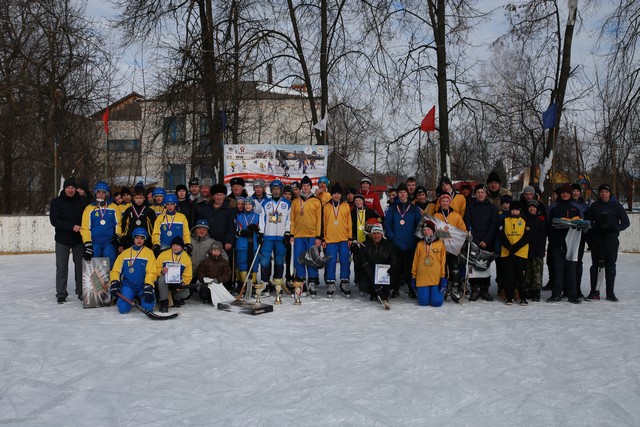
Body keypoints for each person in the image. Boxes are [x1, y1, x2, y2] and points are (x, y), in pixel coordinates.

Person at [585, 183, 630, 301]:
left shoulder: (616, 206)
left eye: (606, 192)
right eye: (601, 192)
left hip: (611, 239)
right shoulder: (594, 206)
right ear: (599, 193)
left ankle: (610, 293)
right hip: (598, 239)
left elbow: (626, 222)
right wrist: (594, 230)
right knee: (595, 266)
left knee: (610, 266)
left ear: (610, 193)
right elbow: (588, 222)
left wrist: (614, 228)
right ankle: (594, 292)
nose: (604, 194)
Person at [50, 177, 88, 303]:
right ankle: (61, 293)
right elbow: (54, 221)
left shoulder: (83, 201)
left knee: (80, 267)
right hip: (62, 240)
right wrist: (71, 227)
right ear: (64, 188)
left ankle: (82, 291)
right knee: (61, 267)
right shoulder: (56, 202)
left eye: (72, 187)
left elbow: (90, 211)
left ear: (76, 189)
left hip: (78, 240)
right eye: (68, 188)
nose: (70, 190)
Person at [546, 183, 583, 304]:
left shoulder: (577, 207)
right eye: (563, 193)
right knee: (557, 268)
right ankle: (556, 293)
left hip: (572, 243)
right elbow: (548, 225)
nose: (565, 195)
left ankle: (572, 294)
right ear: (560, 194)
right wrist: (552, 237)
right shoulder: (553, 208)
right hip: (557, 242)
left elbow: (582, 224)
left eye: (567, 193)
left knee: (571, 268)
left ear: (571, 194)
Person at [384, 182, 422, 298]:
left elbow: (419, 225)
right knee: (395, 268)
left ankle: (411, 289)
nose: (402, 194)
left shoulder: (414, 209)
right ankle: (395, 289)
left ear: (407, 194)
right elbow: (388, 224)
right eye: (400, 192)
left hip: (410, 243)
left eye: (404, 192)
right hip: (396, 244)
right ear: (398, 194)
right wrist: (392, 237)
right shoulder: (392, 209)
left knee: (410, 268)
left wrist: (415, 238)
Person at [109, 228, 157, 314]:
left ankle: (140, 297)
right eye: (137, 238)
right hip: (128, 286)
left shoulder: (149, 253)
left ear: (144, 240)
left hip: (143, 286)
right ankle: (132, 297)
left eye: (142, 238)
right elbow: (116, 270)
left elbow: (151, 272)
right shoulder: (125, 253)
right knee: (123, 309)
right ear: (133, 238)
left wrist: (148, 285)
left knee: (148, 308)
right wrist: (114, 282)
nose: (139, 240)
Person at [464, 183, 499, 301]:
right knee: (473, 266)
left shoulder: (492, 207)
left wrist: (486, 240)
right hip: (474, 241)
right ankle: (475, 288)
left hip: (486, 242)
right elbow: (467, 222)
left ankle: (485, 289)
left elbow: (493, 225)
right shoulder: (470, 207)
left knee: (484, 265)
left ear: (486, 193)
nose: (480, 194)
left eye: (482, 192)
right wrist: (474, 239)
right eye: (478, 192)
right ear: (475, 194)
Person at [290, 175, 323, 296]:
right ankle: (301, 284)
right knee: (299, 260)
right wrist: (292, 234)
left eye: (307, 185)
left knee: (312, 260)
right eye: (303, 186)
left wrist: (319, 237)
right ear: (301, 187)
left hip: (312, 236)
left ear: (310, 187)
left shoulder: (316, 201)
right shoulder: (295, 202)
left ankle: (312, 282)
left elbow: (320, 220)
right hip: (298, 236)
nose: (305, 187)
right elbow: (292, 219)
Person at [351, 223, 398, 305]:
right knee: (364, 285)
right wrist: (355, 250)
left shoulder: (389, 245)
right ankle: (374, 293)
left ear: (382, 234)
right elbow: (358, 260)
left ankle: (382, 293)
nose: (376, 236)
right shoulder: (365, 245)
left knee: (389, 286)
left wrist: (391, 269)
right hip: (370, 273)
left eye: (378, 233)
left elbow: (394, 260)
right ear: (371, 234)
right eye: (374, 233)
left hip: (384, 274)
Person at [259, 180, 291, 299]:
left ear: (281, 190)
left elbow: (289, 219)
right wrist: (261, 232)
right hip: (268, 236)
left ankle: (277, 284)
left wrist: (287, 232)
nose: (276, 190)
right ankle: (265, 284)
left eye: (278, 189)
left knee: (279, 260)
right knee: (265, 261)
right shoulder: (265, 203)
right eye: (274, 188)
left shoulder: (287, 203)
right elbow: (262, 218)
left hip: (281, 236)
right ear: (271, 190)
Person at [433, 192, 467, 303]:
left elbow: (463, 229)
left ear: (450, 202)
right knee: (442, 269)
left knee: (454, 268)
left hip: (453, 247)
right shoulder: (436, 216)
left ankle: (455, 288)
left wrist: (465, 235)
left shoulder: (455, 215)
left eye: (447, 201)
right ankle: (444, 288)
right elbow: (433, 232)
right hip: (441, 248)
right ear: (440, 203)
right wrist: (445, 235)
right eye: (443, 201)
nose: (445, 203)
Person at [321, 183, 353, 297]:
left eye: (338, 193)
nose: (336, 195)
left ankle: (344, 282)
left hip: (344, 239)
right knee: (331, 262)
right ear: (331, 194)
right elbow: (323, 223)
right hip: (330, 239)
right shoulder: (326, 206)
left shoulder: (345, 206)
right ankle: (331, 282)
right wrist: (323, 238)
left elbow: (349, 222)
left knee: (345, 261)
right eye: (334, 193)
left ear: (341, 194)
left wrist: (350, 237)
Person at [498, 201, 530, 305]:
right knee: (508, 276)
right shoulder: (505, 220)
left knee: (521, 276)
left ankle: (523, 297)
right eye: (513, 210)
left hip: (521, 252)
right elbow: (501, 235)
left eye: (516, 210)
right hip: (507, 252)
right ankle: (509, 297)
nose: (514, 212)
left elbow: (527, 236)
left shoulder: (524, 220)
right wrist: (509, 247)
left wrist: (516, 247)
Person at [80, 181, 120, 267]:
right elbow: (85, 227)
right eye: (99, 192)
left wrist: (118, 235)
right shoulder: (89, 208)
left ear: (107, 194)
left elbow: (118, 224)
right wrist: (87, 243)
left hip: (109, 243)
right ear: (95, 193)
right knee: (95, 267)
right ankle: (96, 281)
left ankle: (111, 281)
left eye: (103, 192)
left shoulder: (113, 207)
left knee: (110, 265)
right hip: (94, 243)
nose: (101, 195)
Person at [411, 220, 447, 307]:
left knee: (437, 303)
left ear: (433, 231)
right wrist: (413, 276)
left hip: (436, 279)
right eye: (424, 230)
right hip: (422, 279)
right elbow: (415, 261)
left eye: (428, 229)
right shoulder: (420, 244)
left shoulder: (440, 244)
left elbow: (443, 262)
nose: (425, 231)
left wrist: (443, 277)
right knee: (423, 302)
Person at [155, 236, 193, 312]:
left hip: (177, 282)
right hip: (165, 282)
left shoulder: (186, 258)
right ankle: (164, 301)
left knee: (186, 292)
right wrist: (161, 271)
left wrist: (183, 284)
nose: (175, 247)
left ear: (182, 247)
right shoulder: (163, 255)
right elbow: (155, 268)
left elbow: (188, 275)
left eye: (178, 245)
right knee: (162, 279)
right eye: (173, 245)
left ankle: (175, 298)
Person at [236, 198, 261, 289]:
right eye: (245, 204)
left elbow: (262, 230)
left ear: (253, 206)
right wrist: (241, 232)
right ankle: (244, 284)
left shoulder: (258, 217)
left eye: (249, 204)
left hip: (254, 244)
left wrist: (257, 230)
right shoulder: (239, 216)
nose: (247, 206)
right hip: (242, 244)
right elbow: (236, 230)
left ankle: (253, 283)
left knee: (254, 263)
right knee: (242, 263)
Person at [524, 200, 546, 302]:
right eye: (530, 207)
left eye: (534, 207)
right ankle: (529, 290)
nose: (531, 209)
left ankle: (536, 291)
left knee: (537, 271)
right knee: (528, 271)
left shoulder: (540, 220)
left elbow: (542, 236)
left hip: (538, 249)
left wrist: (541, 250)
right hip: (527, 249)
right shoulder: (524, 219)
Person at [570, 183, 589, 298]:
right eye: (573, 191)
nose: (575, 193)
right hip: (569, 236)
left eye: (577, 191)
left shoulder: (585, 206)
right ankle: (568, 287)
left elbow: (589, 220)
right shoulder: (567, 204)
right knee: (569, 262)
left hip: (580, 237)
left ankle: (577, 288)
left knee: (578, 263)